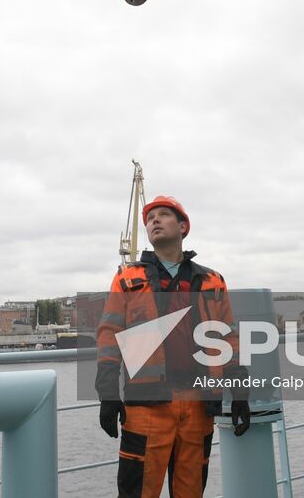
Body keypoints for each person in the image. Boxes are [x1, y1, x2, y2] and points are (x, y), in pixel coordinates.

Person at [95, 195, 251, 498]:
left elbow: (227, 338)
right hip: (147, 406)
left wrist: (240, 395)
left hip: (198, 405)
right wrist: (107, 394)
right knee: (137, 493)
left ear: (183, 226)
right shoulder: (128, 280)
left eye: (164, 215)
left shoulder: (212, 281)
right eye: (150, 218)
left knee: (191, 492)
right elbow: (109, 334)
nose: (154, 221)